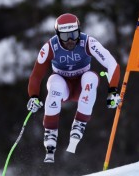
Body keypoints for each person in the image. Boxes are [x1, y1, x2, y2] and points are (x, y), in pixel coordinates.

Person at [27, 13, 121, 163]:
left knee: (91, 77)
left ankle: (79, 124)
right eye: (65, 36)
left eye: (74, 34)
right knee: (54, 82)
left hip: (81, 87)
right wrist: (33, 97)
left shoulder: (87, 42)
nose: (70, 40)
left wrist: (113, 91)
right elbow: (36, 75)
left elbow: (112, 64)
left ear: (79, 31)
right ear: (58, 35)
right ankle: (50, 133)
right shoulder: (50, 47)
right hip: (63, 86)